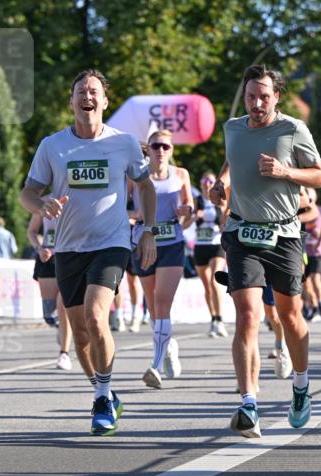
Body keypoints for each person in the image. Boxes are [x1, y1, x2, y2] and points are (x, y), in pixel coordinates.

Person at [20, 68, 156, 434]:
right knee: (80, 335)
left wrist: (147, 232)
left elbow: (146, 187)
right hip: (67, 248)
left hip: (110, 244)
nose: (88, 96)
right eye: (81, 91)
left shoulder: (124, 143)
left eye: (94, 91)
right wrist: (41, 203)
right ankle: (104, 393)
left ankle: (102, 397)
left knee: (98, 318)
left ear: (104, 101)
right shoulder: (53, 145)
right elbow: (27, 193)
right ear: (72, 102)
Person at [210, 64, 321, 438]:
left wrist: (285, 172)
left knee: (290, 317)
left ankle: (301, 386)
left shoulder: (293, 129)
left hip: (285, 234)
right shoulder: (233, 128)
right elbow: (230, 160)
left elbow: (319, 175)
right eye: (250, 96)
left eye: (264, 96)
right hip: (241, 231)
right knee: (247, 315)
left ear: (276, 96)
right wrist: (221, 183)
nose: (257, 103)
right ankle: (248, 403)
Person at [129, 128, 193, 389]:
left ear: (172, 150)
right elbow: (126, 208)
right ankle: (169, 347)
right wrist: (137, 215)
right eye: (155, 146)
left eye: (166, 147)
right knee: (153, 307)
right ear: (149, 148)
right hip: (143, 241)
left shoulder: (181, 175)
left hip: (172, 242)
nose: (160, 151)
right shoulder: (136, 175)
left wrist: (186, 212)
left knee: (162, 300)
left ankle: (154, 364)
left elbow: (188, 216)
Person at [27, 212, 73, 370]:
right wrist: (39, 248)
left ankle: (64, 353)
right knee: (50, 315)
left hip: (72, 256)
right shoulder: (43, 202)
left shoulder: (77, 198)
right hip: (47, 258)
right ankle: (62, 328)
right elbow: (32, 231)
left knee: (64, 305)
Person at [194, 171, 228, 338]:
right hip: (200, 246)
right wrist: (192, 216)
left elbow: (227, 216)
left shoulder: (220, 200)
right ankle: (213, 319)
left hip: (216, 245)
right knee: (207, 286)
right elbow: (187, 222)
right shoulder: (198, 200)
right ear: (201, 184)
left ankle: (220, 320)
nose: (207, 183)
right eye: (204, 180)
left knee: (215, 281)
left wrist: (224, 222)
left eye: (210, 181)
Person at [300, 188, 321, 320]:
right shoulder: (297, 208)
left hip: (317, 251)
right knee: (306, 282)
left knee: (316, 279)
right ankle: (313, 306)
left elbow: (318, 232)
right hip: (305, 250)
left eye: (310, 197)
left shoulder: (318, 211)